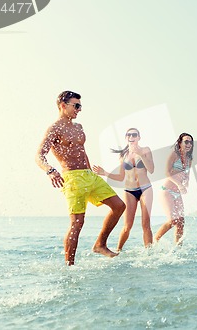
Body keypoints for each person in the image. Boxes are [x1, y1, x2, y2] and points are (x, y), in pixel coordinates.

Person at [35, 91, 125, 266]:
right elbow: (39, 156)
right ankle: (70, 266)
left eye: (80, 106)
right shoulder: (54, 129)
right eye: (76, 106)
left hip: (89, 175)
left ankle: (100, 244)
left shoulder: (78, 127)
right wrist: (50, 171)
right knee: (77, 222)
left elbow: (82, 152)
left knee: (119, 206)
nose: (79, 109)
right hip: (72, 178)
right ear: (63, 105)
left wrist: (91, 171)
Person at [92, 128, 155, 250]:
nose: (131, 136)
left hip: (145, 189)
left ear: (139, 137)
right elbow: (121, 177)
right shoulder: (123, 155)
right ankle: (118, 251)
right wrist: (105, 173)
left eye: (134, 134)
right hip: (129, 190)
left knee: (145, 225)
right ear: (126, 138)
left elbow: (151, 169)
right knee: (127, 226)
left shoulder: (145, 150)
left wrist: (141, 154)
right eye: (129, 135)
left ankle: (149, 253)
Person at [154, 133, 194, 245]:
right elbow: (166, 173)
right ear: (180, 143)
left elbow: (187, 174)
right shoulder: (174, 155)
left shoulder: (189, 158)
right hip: (166, 191)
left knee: (181, 222)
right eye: (186, 141)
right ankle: (154, 242)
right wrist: (179, 184)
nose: (189, 144)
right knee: (172, 220)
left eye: (190, 142)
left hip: (177, 193)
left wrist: (186, 183)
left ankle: (178, 249)